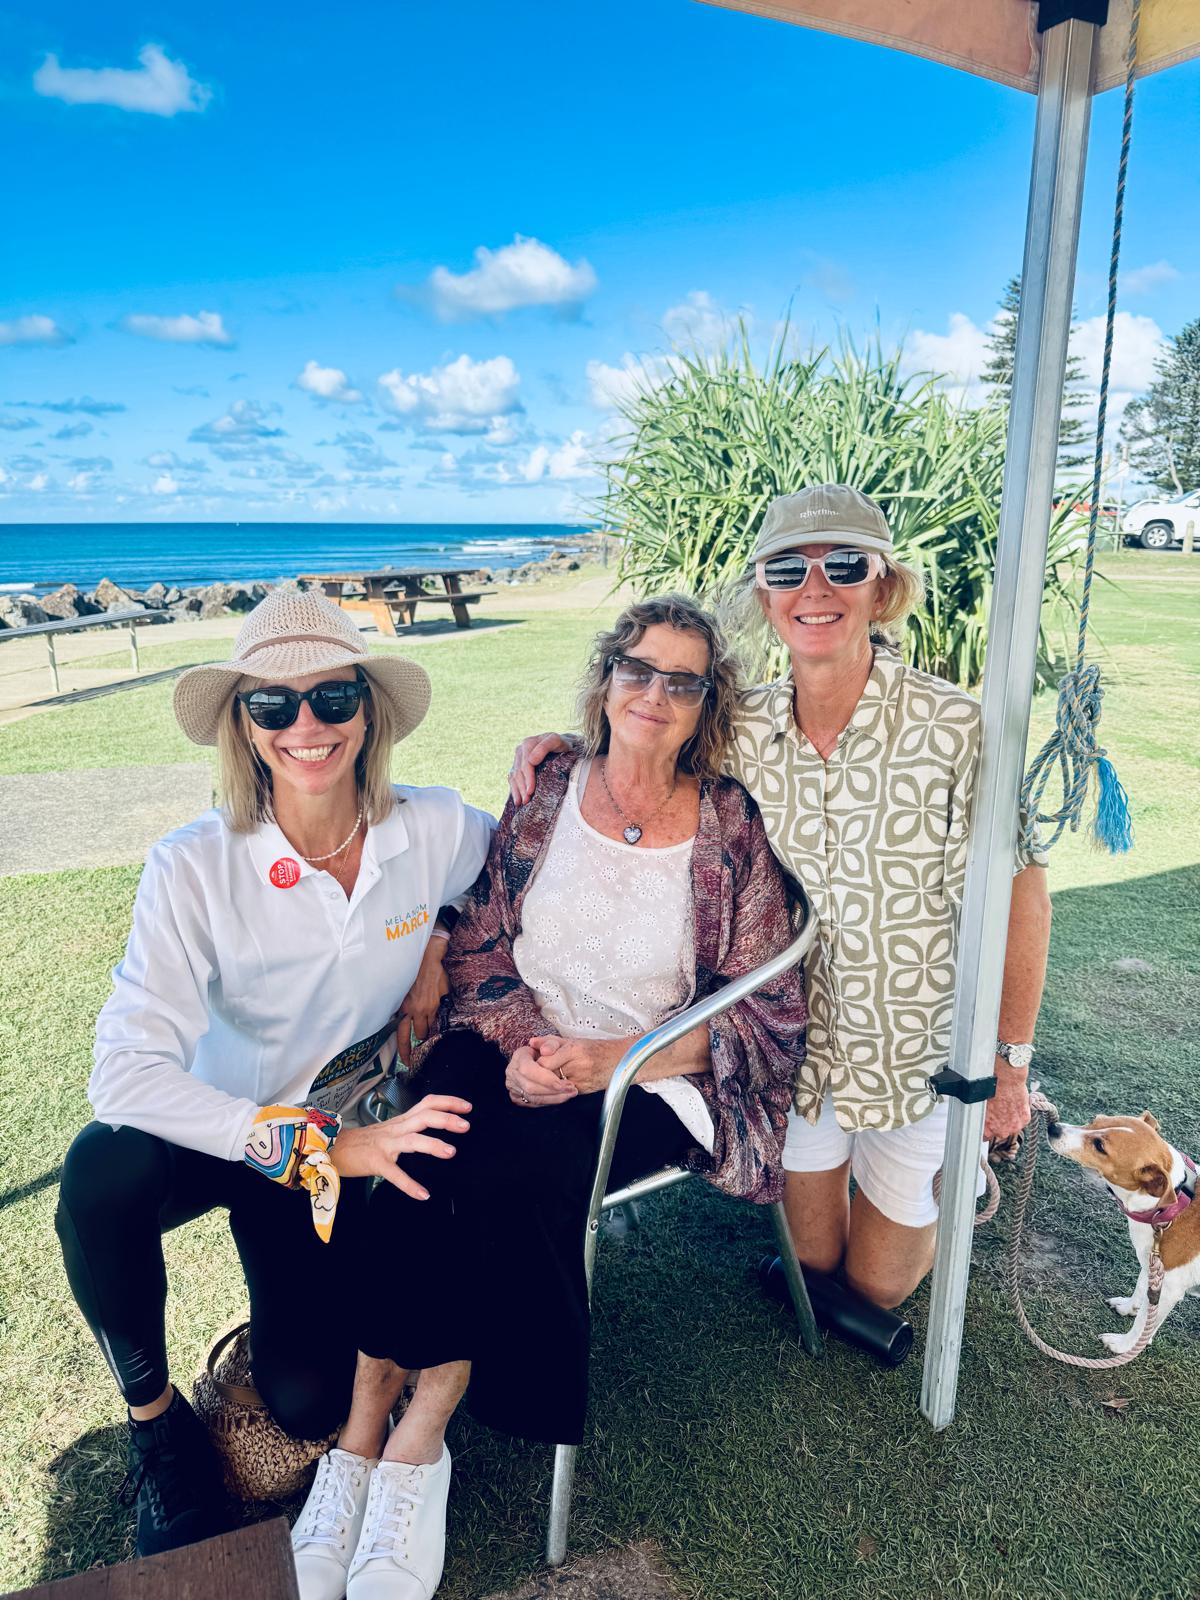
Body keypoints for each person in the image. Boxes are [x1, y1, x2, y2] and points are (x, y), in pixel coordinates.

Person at [289, 594, 808, 1600]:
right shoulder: (551, 784)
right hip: (505, 1029)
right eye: (637, 669)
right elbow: (486, 924)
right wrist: (528, 1040)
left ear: (707, 703)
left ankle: (420, 1436)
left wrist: (607, 1058)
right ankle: (359, 1435)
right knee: (420, 1149)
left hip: (646, 1071)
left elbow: (762, 1007)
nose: (654, 694)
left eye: (683, 680)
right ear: (606, 677)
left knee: (507, 1173)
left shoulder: (728, 823)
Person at [509, 486, 1053, 1313]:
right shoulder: (745, 729)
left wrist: (1009, 1065)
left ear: (882, 588)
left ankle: (956, 1163)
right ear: (765, 596)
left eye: (846, 565)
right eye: (788, 570)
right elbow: (654, 739)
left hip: (918, 1048)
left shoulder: (959, 728)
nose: (815, 589)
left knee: (874, 1290)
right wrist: (573, 747)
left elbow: (1023, 897)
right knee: (815, 1262)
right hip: (796, 1047)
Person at [55, 588, 493, 1558]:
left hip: (317, 1167)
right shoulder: (194, 866)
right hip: (222, 1128)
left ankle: (277, 1342)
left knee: (310, 1400)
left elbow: (513, 869)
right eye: (273, 704)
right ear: (244, 725)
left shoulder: (431, 826)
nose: (306, 726)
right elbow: (123, 1072)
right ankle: (156, 1425)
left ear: (367, 712)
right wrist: (322, 1144)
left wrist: (441, 940)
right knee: (102, 1171)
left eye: (333, 697)